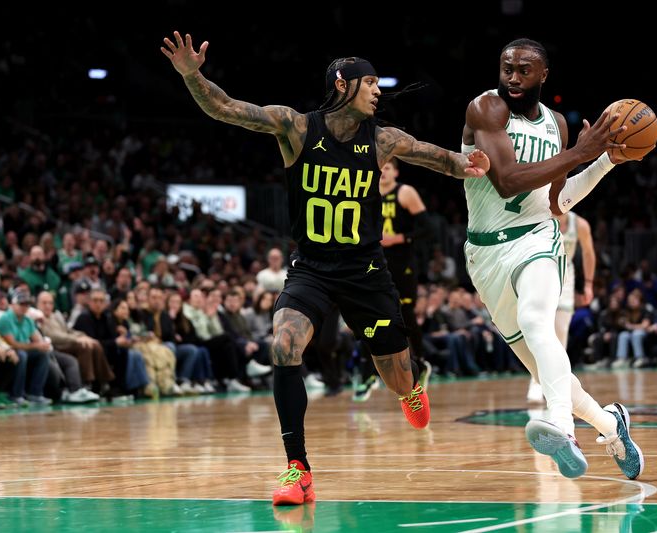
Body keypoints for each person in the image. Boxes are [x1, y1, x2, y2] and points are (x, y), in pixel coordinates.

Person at [162, 31, 490, 505]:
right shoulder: (295, 127)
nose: (379, 91)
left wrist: (468, 162)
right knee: (283, 344)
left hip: (364, 269)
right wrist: (193, 75)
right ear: (342, 84)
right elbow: (225, 108)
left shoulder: (382, 140)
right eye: (370, 82)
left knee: (395, 376)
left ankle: (410, 388)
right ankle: (297, 469)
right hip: (311, 267)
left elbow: (434, 156)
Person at [461, 38, 644, 479]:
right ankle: (610, 423)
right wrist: (582, 153)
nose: (513, 77)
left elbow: (558, 202)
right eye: (507, 68)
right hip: (485, 255)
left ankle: (562, 428)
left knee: (539, 323)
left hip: (538, 240)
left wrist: (601, 162)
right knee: (545, 369)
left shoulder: (556, 124)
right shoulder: (485, 109)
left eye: (524, 70)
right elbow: (507, 181)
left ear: (544, 75)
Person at [354, 157, 434, 401]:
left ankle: (420, 363)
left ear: (396, 172)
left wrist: (398, 238)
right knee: (373, 317)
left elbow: (426, 229)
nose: (383, 173)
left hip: (402, 263)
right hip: (375, 263)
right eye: (380, 169)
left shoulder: (405, 192)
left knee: (406, 316)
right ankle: (369, 374)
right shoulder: (367, 193)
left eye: (387, 168)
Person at [527, 211, 594, 402]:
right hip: (540, 273)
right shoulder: (538, 216)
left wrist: (588, 284)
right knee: (540, 329)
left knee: (561, 331)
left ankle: (556, 384)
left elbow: (589, 253)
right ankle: (536, 381)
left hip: (566, 277)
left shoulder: (580, 224)